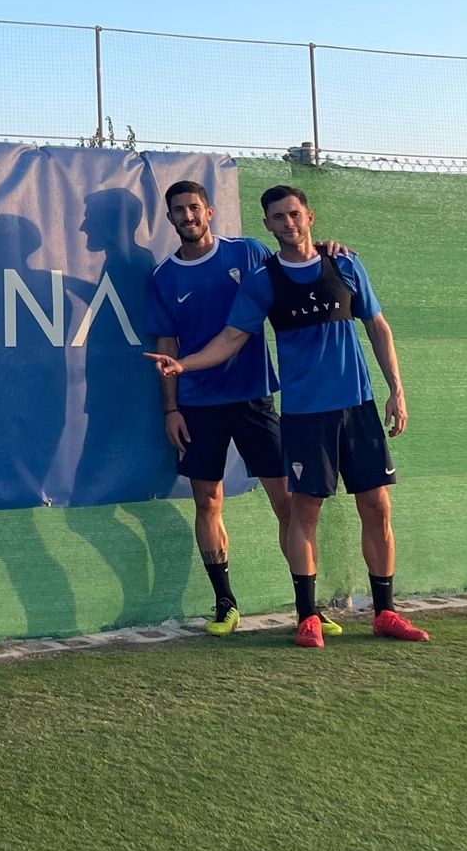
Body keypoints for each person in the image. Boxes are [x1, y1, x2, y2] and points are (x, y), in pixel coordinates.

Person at [148, 184, 427, 648]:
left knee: (376, 507)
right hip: (298, 415)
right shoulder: (262, 279)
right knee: (300, 513)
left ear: (309, 217)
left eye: (294, 214)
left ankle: (385, 612)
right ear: (268, 226)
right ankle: (300, 615)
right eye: (278, 218)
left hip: (351, 408)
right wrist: (183, 368)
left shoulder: (343, 263)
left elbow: (377, 326)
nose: (288, 223)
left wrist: (397, 390)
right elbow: (231, 338)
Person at [145, 180, 341, 638]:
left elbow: (298, 263)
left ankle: (306, 609)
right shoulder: (162, 277)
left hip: (255, 399)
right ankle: (225, 603)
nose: (187, 216)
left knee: (288, 504)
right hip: (196, 406)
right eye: (178, 211)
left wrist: (329, 249)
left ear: (209, 211)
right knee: (207, 502)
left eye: (194, 208)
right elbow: (167, 345)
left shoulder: (249, 253)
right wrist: (170, 410)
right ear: (170, 219)